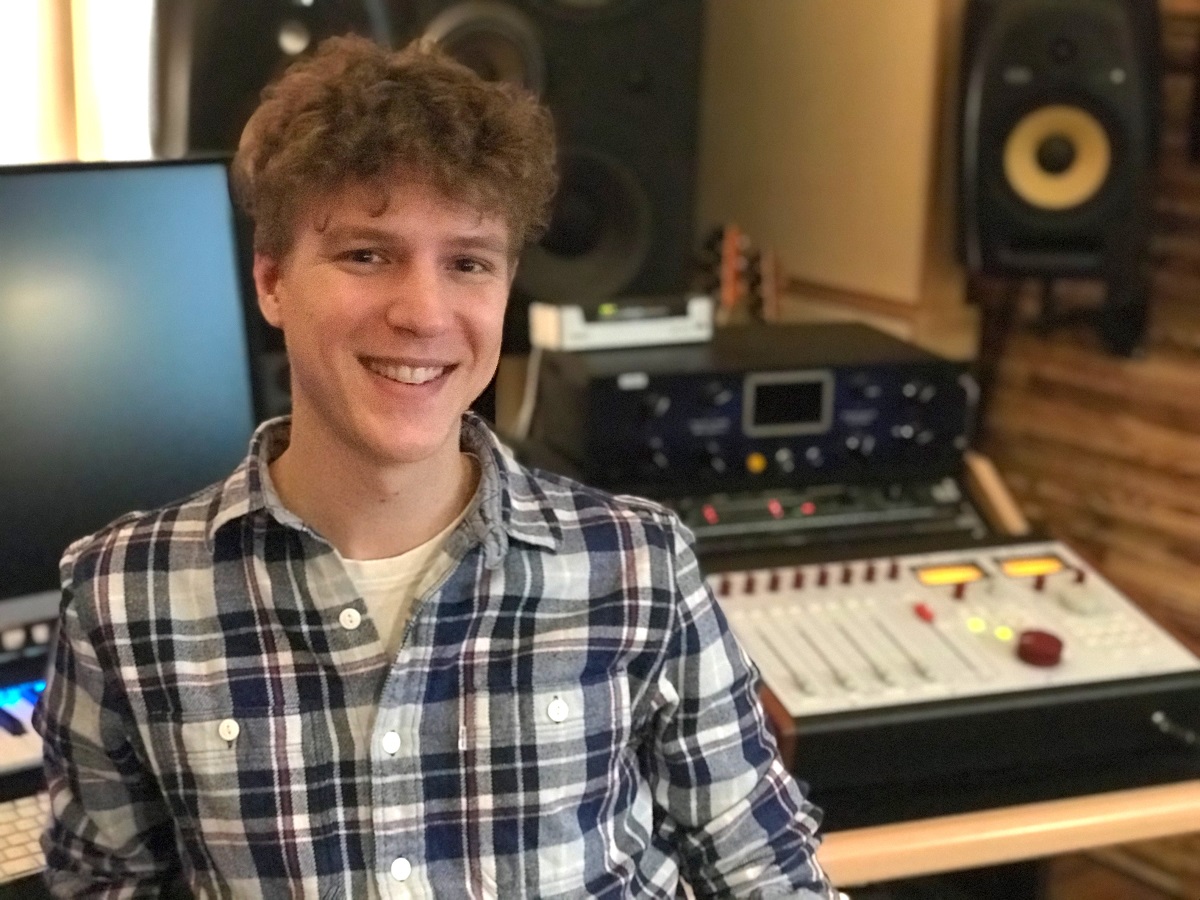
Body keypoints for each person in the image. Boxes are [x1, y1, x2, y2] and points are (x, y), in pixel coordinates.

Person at [35, 35, 834, 898]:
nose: (424, 313)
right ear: (271, 281)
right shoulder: (121, 598)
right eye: (367, 254)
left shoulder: (640, 569)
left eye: (467, 263)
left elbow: (767, 872)